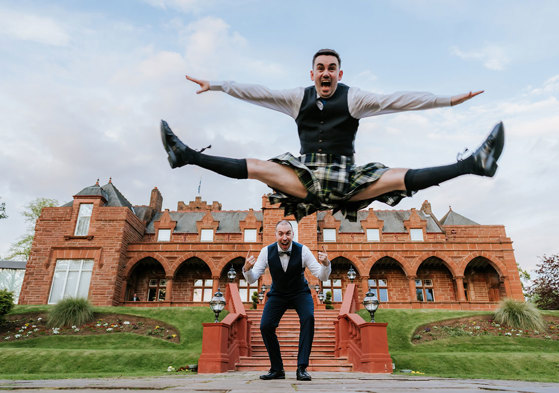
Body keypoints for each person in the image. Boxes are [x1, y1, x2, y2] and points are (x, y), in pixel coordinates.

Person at [161, 48, 504, 222]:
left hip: (347, 179)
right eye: (320, 69)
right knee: (259, 166)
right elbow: (258, 92)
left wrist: (447, 101)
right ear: (312, 73)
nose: (326, 74)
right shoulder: (297, 97)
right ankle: (185, 155)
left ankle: (476, 163)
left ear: (340, 73)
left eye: (331, 69)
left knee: (399, 178)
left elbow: (398, 100)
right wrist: (218, 85)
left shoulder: (354, 98)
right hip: (306, 177)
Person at [243, 220, 330, 381]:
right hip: (278, 294)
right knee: (266, 326)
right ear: (275, 234)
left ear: (293, 234)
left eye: (288, 233)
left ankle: (302, 368)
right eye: (281, 233)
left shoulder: (303, 250)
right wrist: (247, 269)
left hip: (300, 292)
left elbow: (321, 275)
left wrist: (325, 264)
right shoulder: (266, 251)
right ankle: (277, 369)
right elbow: (252, 279)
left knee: (308, 318)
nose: (284, 237)